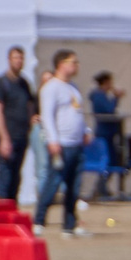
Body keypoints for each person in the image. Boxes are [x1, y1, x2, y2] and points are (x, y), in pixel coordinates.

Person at [33, 50, 89, 235]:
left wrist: (85, 131)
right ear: (61, 64)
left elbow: (78, 113)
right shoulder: (51, 87)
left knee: (74, 185)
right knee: (52, 182)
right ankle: (39, 220)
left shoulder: (73, 88)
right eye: (73, 62)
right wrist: (53, 140)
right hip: (61, 144)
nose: (76, 66)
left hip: (76, 143)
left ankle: (69, 224)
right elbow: (47, 115)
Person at [0, 47, 35, 202]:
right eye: (16, 58)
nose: (19, 61)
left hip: (22, 136)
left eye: (21, 58)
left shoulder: (24, 84)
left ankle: (12, 208)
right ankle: (1, 208)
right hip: (8, 136)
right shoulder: (1, 84)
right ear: (9, 60)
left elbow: (30, 105)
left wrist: (32, 121)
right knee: (5, 174)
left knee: (16, 175)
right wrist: (4, 138)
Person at [86, 70, 123, 195]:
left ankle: (101, 187)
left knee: (112, 160)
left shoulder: (101, 95)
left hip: (109, 132)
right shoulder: (99, 96)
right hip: (104, 133)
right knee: (107, 160)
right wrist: (116, 98)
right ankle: (101, 188)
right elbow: (109, 110)